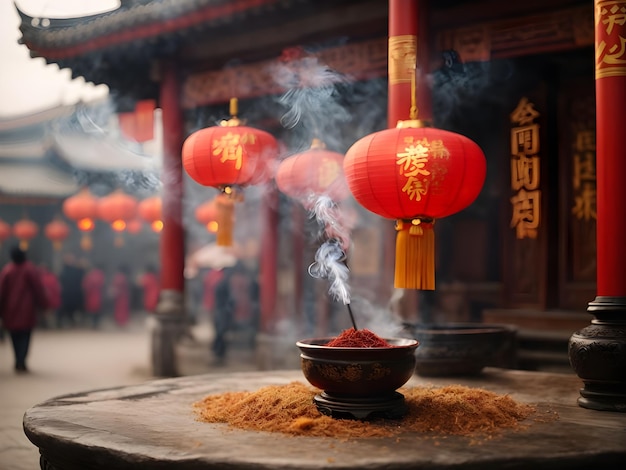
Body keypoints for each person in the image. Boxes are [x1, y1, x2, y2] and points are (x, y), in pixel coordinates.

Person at [0, 245, 48, 373]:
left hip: (10, 310)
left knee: (14, 336)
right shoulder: (30, 269)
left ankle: (18, 359)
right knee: (25, 336)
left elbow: (1, 292)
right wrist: (44, 304)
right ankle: (22, 360)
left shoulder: (7, 271)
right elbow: (38, 290)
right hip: (27, 310)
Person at [56, 253, 85, 328]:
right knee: (64, 309)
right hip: (66, 294)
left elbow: (80, 279)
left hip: (75, 294)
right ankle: (61, 323)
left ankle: (73, 322)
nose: (70, 261)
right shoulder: (64, 270)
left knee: (74, 310)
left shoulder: (76, 270)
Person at [82, 264, 106, 328]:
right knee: (98, 310)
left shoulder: (90, 275)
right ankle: (96, 323)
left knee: (92, 310)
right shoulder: (101, 275)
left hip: (91, 295)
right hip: (98, 295)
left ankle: (93, 323)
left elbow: (85, 285)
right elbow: (102, 284)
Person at [38, 263, 61, 329]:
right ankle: (51, 325)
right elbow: (58, 288)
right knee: (50, 313)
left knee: (48, 313)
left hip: (47, 299)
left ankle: (49, 325)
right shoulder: (52, 277)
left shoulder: (40, 277)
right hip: (52, 299)